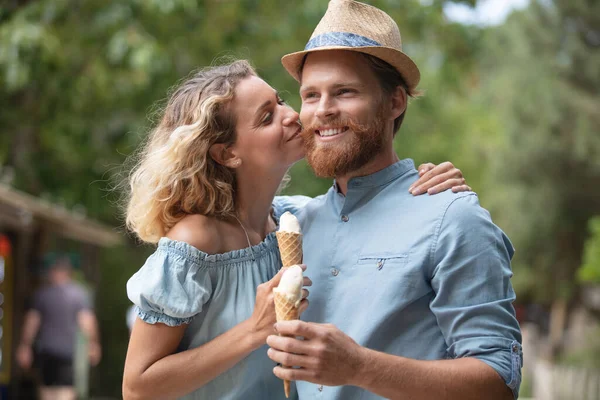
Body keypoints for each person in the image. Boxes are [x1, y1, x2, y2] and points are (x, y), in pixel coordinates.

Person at [122, 59, 470, 399]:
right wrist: (253, 331)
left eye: (282, 101)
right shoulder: (195, 241)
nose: (292, 116)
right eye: (267, 117)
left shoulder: (297, 220)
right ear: (227, 154)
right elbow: (137, 386)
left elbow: (363, 207)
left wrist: (426, 182)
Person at [265, 1, 523, 399]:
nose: (323, 111)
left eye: (345, 91)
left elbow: (498, 381)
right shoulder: (290, 222)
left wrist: (358, 366)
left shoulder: (453, 217)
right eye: (311, 95)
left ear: (395, 102)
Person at [16, 253, 101, 400]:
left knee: (47, 390)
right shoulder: (79, 294)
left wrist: (25, 346)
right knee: (66, 390)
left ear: (53, 272)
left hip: (46, 350)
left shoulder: (42, 294)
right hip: (67, 351)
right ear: (69, 273)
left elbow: (32, 322)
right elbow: (87, 321)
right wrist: (93, 344)